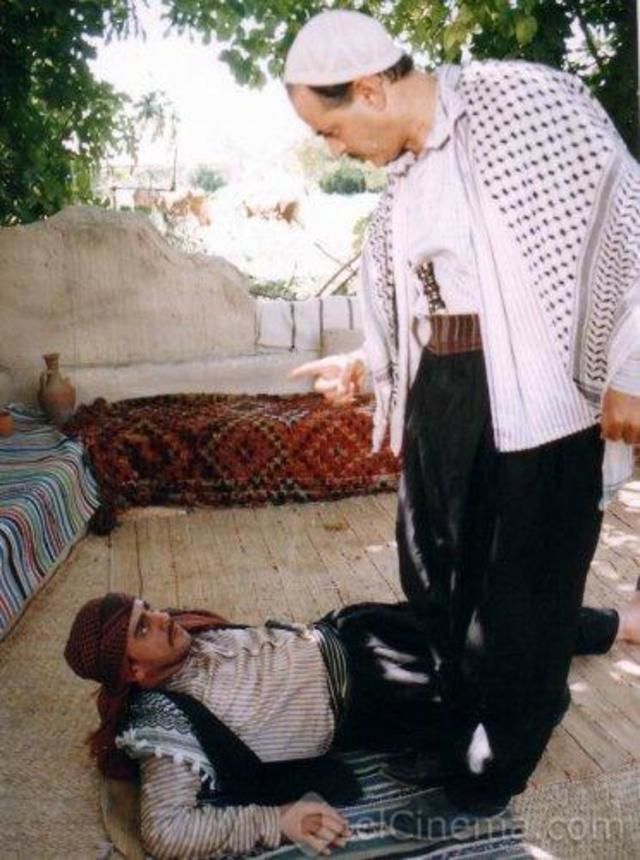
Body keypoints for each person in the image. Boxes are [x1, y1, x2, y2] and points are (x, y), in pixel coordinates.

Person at [283, 9, 640, 815]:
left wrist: (633, 363)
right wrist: (365, 364)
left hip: (541, 400)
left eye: (329, 130)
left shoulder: (522, 101)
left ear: (370, 90)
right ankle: (459, 720)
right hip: (443, 392)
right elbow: (420, 295)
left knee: (526, 592)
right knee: (436, 573)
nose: (331, 150)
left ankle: (498, 762)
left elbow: (629, 218)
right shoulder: (405, 178)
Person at [64, 591, 640, 859]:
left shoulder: (185, 644)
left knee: (475, 611)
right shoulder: (163, 719)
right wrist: (278, 819)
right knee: (523, 683)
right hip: (374, 694)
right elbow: (165, 831)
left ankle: (615, 625)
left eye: (147, 608)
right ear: (133, 672)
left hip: (348, 629)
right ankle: (589, 645)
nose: (160, 616)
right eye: (143, 627)